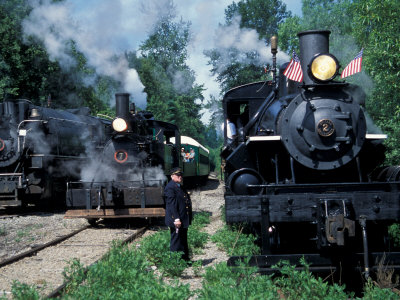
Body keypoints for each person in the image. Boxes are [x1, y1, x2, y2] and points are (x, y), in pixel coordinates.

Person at [164, 167, 192, 261]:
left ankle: (185, 260)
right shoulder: (170, 187)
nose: (180, 177)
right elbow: (172, 205)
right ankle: (175, 262)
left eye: (181, 175)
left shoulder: (179, 186)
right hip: (177, 220)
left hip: (182, 219)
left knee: (183, 240)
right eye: (178, 175)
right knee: (176, 241)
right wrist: (176, 219)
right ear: (172, 176)